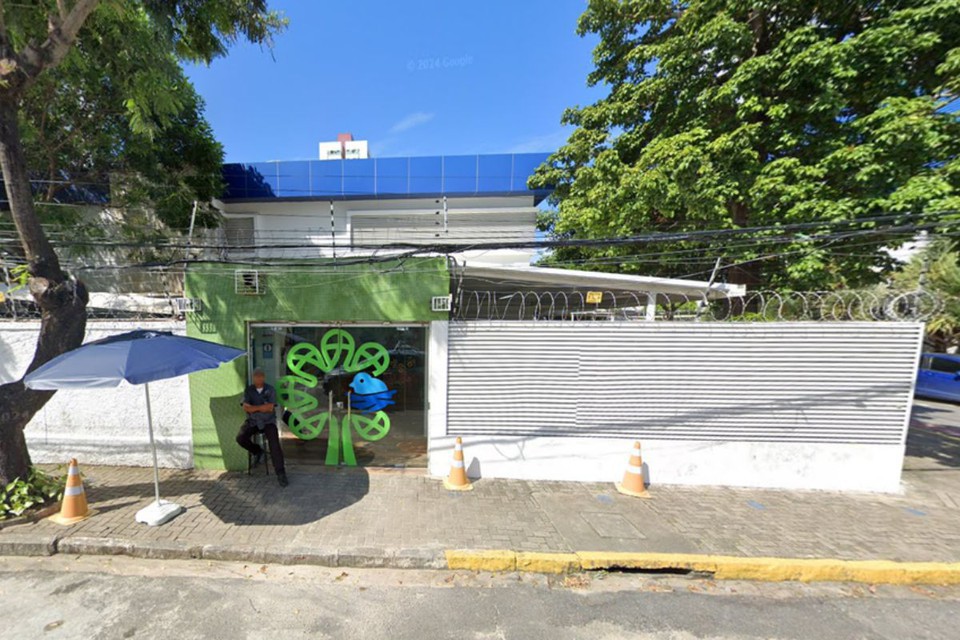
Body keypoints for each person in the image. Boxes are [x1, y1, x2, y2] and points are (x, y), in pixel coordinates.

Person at [236, 368, 288, 487]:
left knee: (274, 444)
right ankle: (257, 451)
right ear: (253, 378)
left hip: (268, 422)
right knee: (240, 437)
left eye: (261, 376)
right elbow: (246, 408)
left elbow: (270, 408)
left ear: (264, 377)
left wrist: (254, 408)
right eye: (256, 376)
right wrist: (261, 407)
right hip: (253, 421)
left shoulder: (270, 390)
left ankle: (281, 473)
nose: (259, 378)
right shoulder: (249, 390)